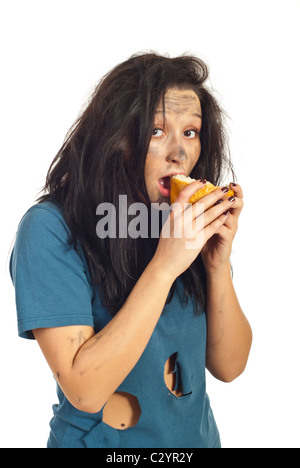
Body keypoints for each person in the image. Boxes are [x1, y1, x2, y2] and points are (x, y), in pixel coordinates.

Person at [10, 52, 252, 448]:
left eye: (191, 132)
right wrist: (164, 266)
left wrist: (216, 264)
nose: (179, 153)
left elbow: (230, 366)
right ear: (115, 138)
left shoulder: (180, 223)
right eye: (157, 131)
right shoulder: (49, 228)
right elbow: (85, 390)